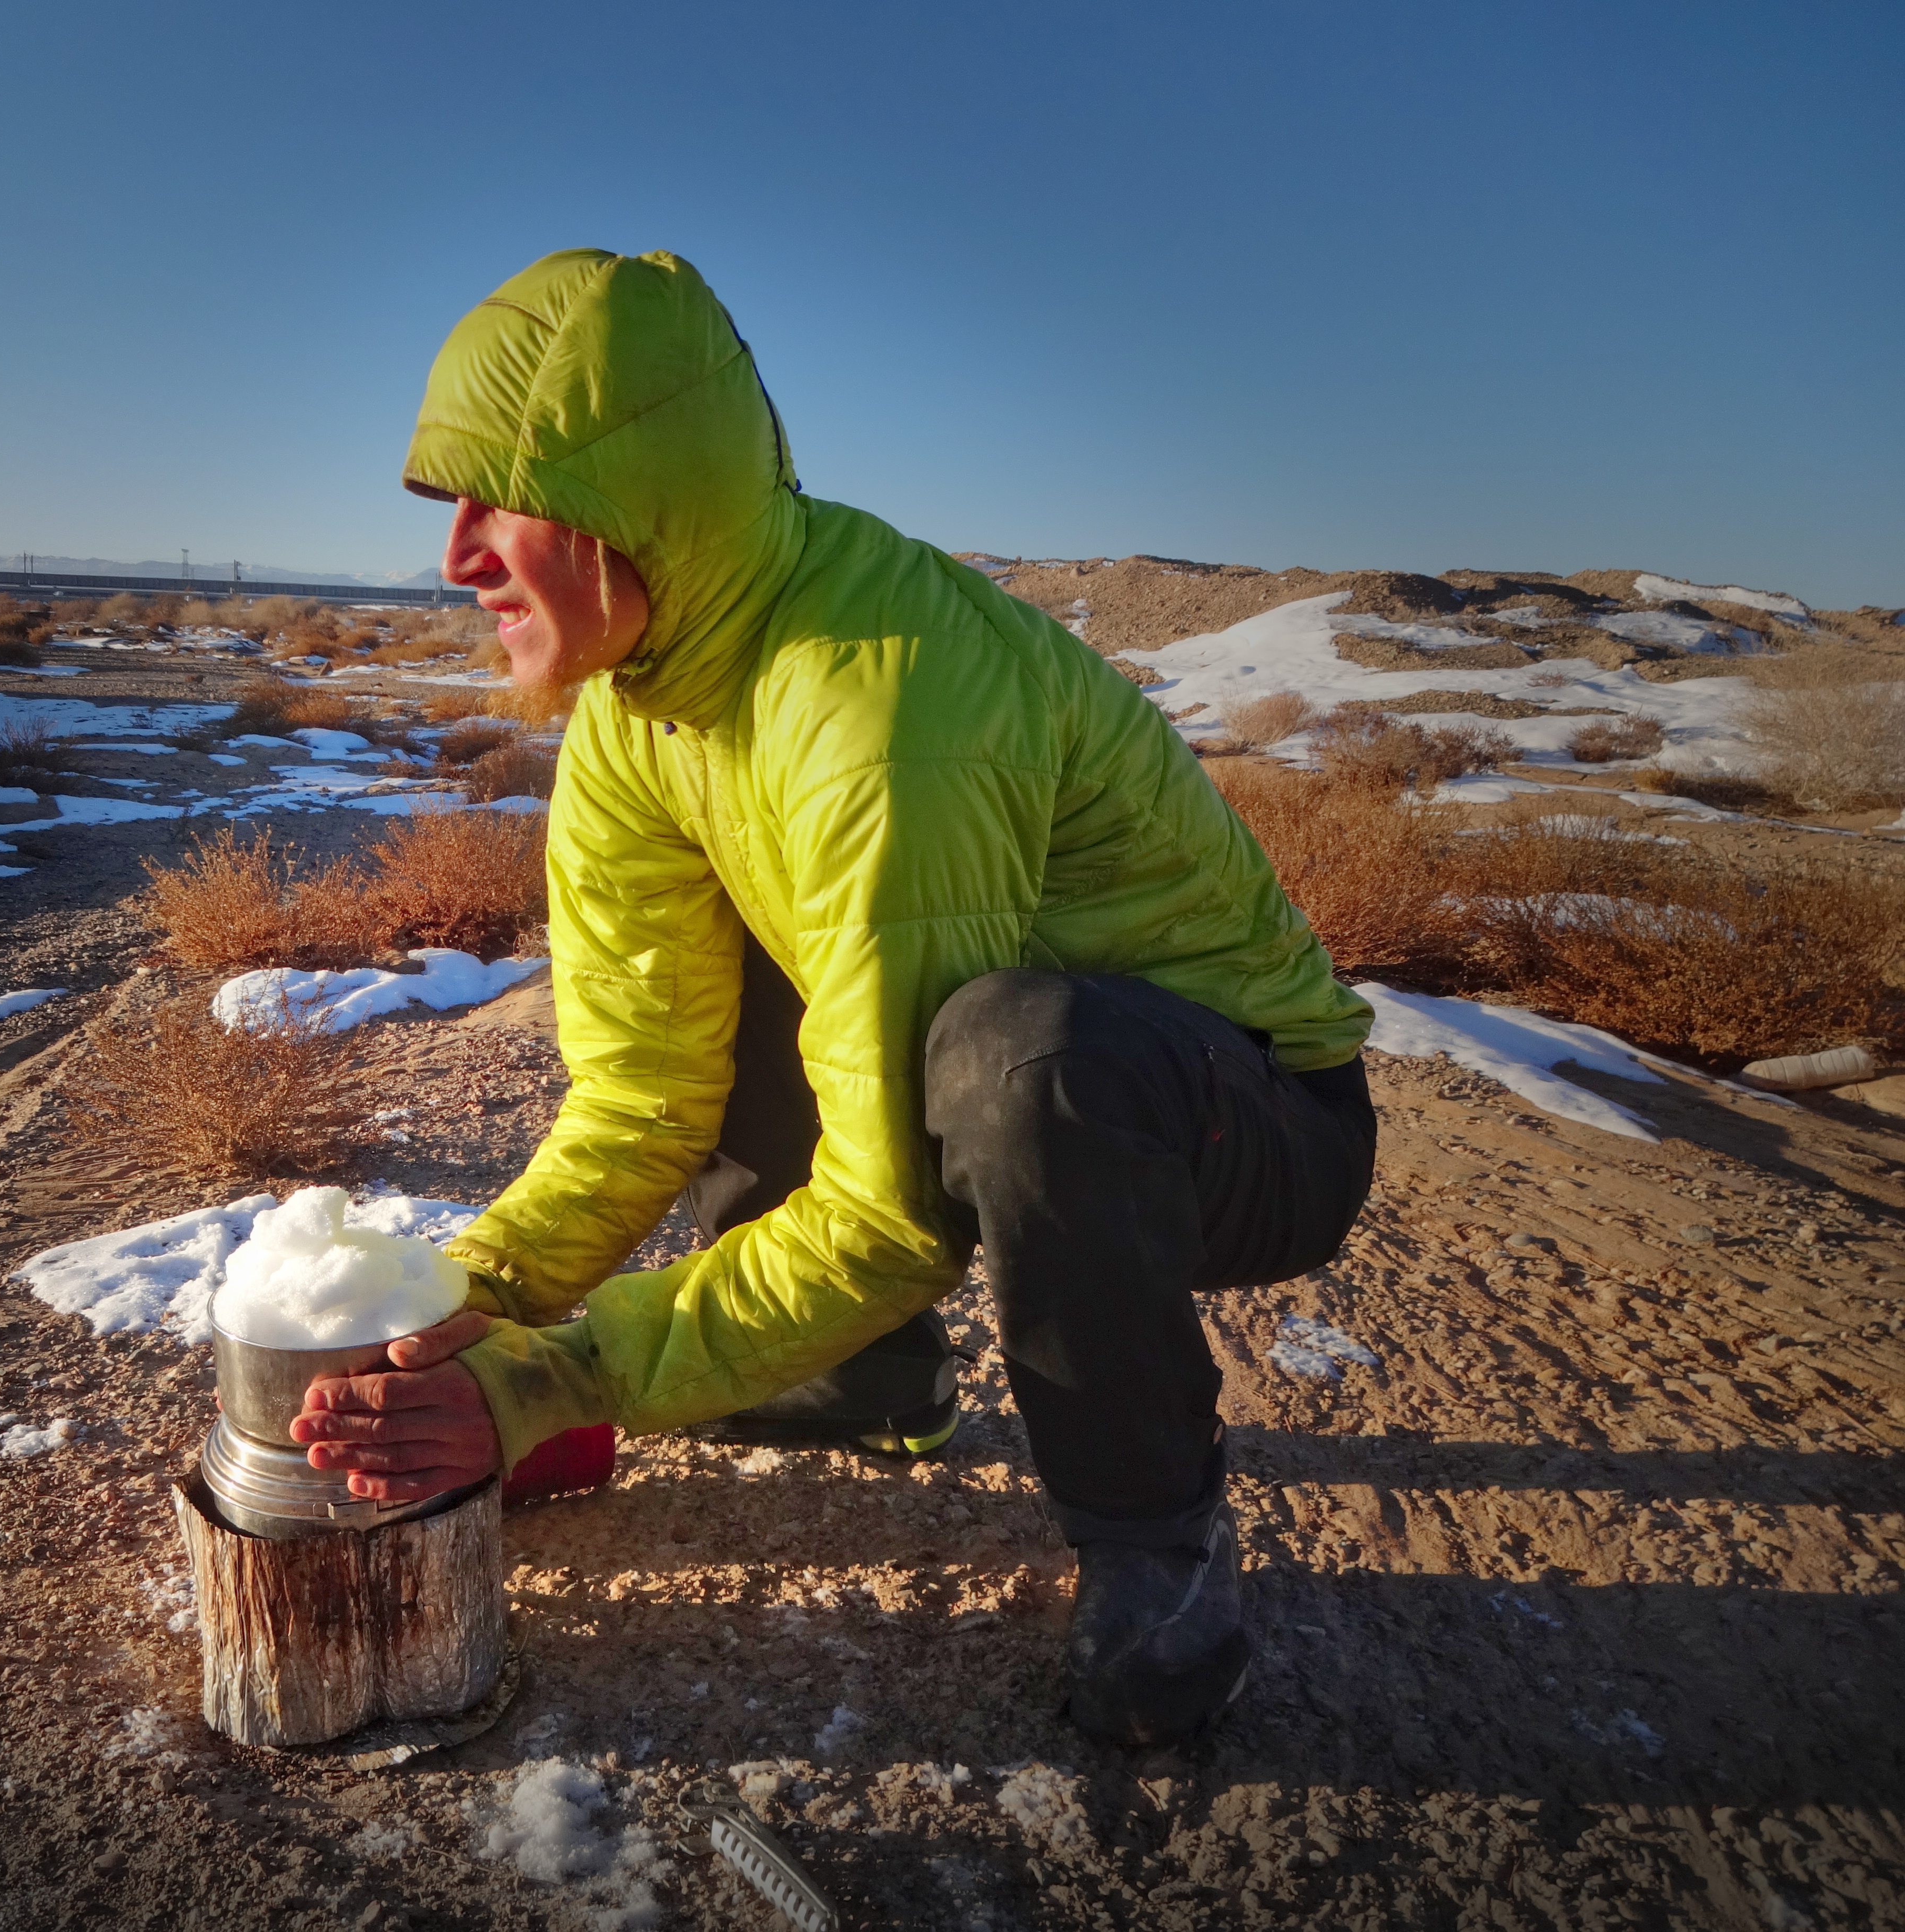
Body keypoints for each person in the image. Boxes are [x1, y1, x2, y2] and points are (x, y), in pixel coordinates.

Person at [291, 248, 1375, 1747]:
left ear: (641, 499)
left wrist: (558, 1381)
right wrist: (462, 1316)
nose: (458, 556)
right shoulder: (638, 702)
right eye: (447, 510)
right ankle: (865, 1384)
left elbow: (890, 1210)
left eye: (500, 501)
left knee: (1021, 1057)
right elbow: (644, 1087)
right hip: (1034, 1068)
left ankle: (1159, 1548)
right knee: (803, 982)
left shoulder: (878, 700)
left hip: (1245, 1123)